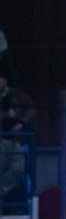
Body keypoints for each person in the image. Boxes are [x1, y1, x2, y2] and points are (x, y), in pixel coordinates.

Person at [0, 73, 36, 204]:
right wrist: (6, 115)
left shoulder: (16, 93)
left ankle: (2, 190)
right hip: (2, 138)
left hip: (17, 139)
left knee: (19, 167)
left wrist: (22, 122)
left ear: (5, 80)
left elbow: (32, 108)